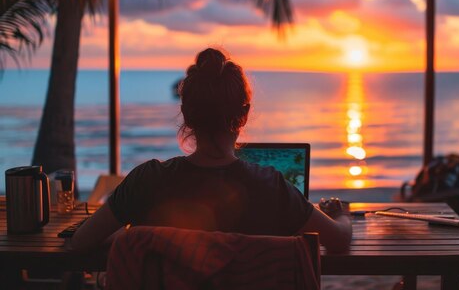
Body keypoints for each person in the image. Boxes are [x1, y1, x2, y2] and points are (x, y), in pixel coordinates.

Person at [68, 48, 352, 253]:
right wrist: (342, 215)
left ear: (186, 115)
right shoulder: (272, 188)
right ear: (244, 114)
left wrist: (132, 237)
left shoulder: (146, 181)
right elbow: (338, 240)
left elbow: (82, 241)